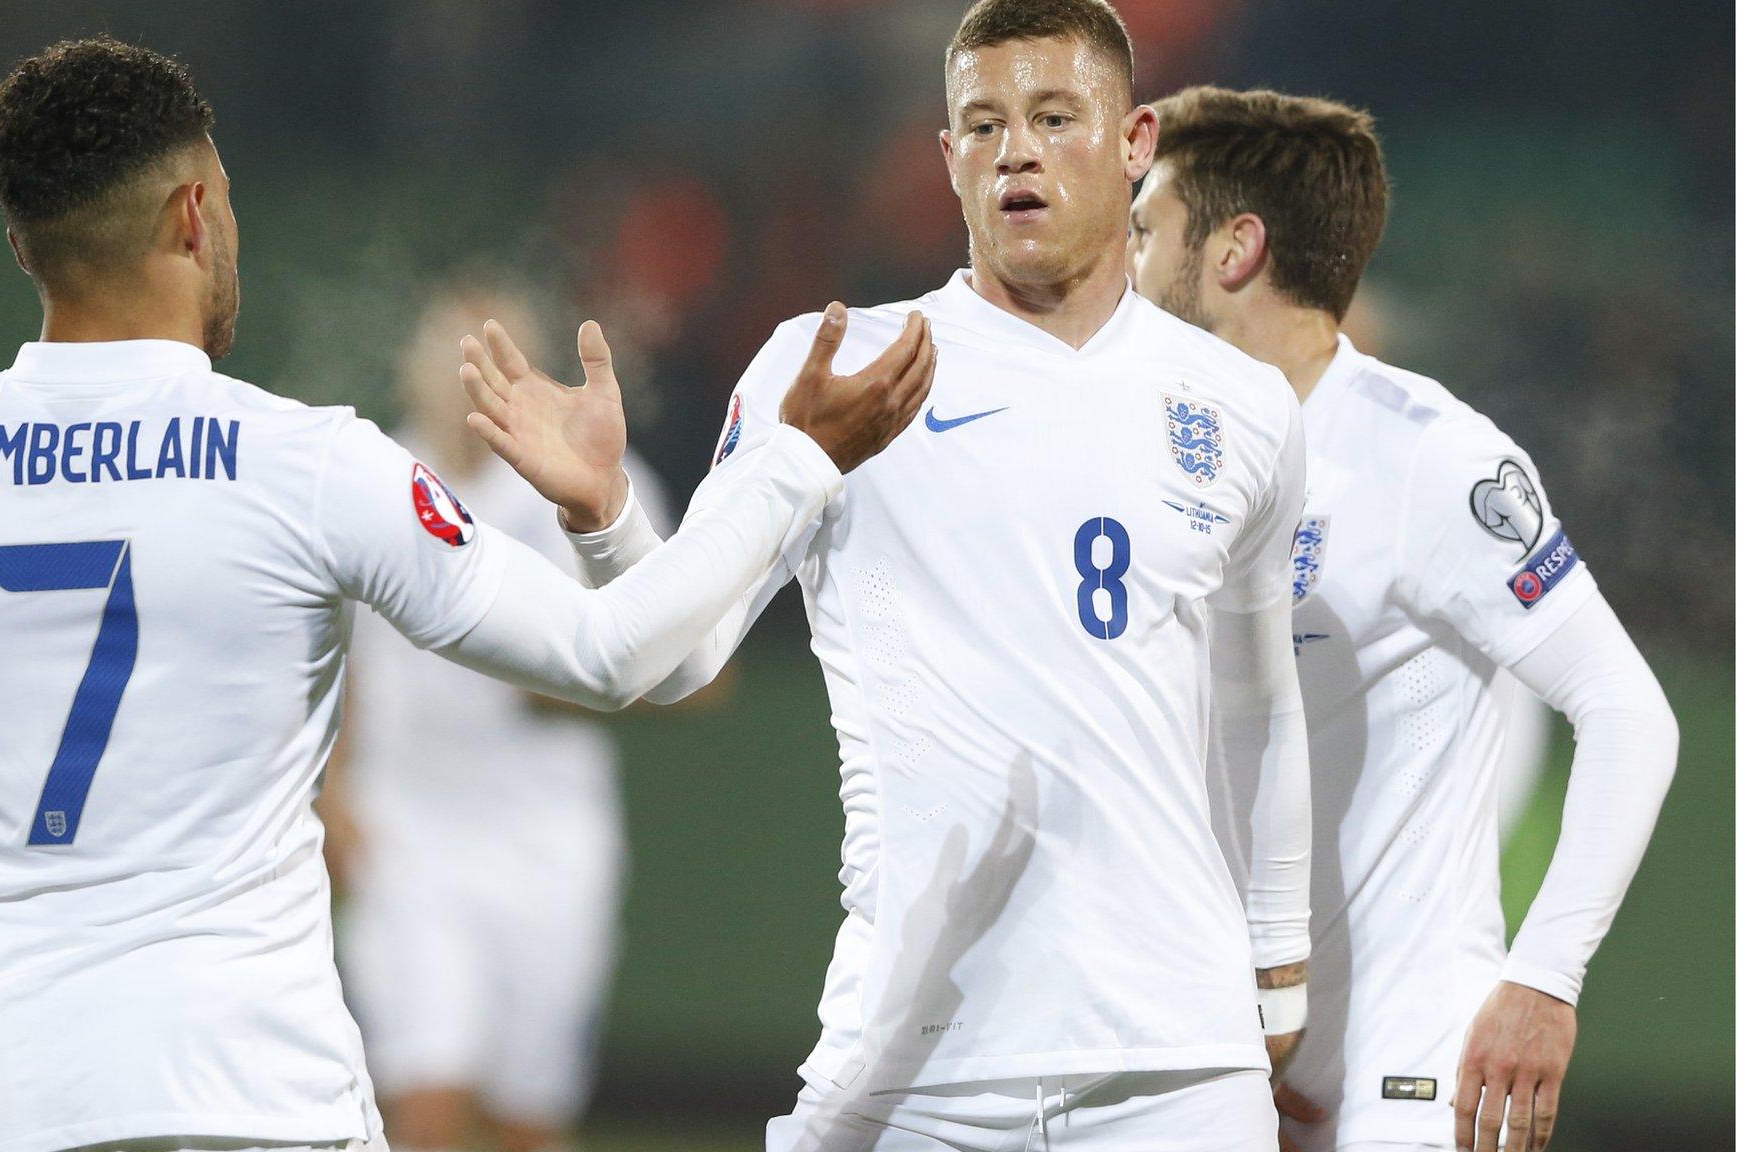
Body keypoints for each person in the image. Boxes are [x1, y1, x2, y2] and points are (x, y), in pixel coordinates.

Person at [0, 37, 935, 1152]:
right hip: (257, 1096)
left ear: (28, 243)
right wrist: (793, 464)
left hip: (15, 1101)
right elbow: (614, 656)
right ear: (191, 213)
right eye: (223, 198)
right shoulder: (305, 464)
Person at [458, 2, 1314, 1147]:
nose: (1015, 148)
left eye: (1055, 116)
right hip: (917, 1067)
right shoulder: (829, 365)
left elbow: (1262, 701)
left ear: (1134, 143)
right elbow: (677, 664)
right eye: (982, 123)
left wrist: (1276, 967)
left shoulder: (1240, 406)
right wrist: (604, 515)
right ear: (946, 158)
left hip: (1174, 1067)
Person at [1128, 86, 1679, 1152]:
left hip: (1404, 1086)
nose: (1126, 264)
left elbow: (1626, 714)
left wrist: (1543, 981)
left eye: (1147, 230)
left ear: (1233, 250)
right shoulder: (1154, 468)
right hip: (1219, 1083)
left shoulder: (1430, 460)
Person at [318, 282, 674, 1152]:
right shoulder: (371, 480)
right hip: (408, 829)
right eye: (454, 352)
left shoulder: (595, 484)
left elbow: (691, 668)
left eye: (495, 354)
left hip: (547, 833)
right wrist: (329, 796)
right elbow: (334, 660)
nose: (469, 376)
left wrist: (575, 676)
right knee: (425, 1099)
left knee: (528, 1118)